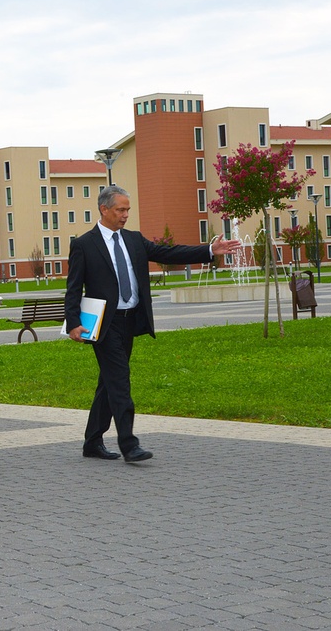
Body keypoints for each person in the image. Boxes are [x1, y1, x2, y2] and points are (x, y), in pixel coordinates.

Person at [65, 185, 241, 463]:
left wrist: (209, 250)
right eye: (120, 210)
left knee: (109, 382)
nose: (125, 215)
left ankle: (92, 441)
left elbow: (168, 253)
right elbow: (73, 287)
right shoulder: (84, 244)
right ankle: (129, 444)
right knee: (120, 382)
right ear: (104, 209)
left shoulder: (134, 240)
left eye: (127, 210)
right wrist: (73, 321)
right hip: (104, 325)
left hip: (129, 321)